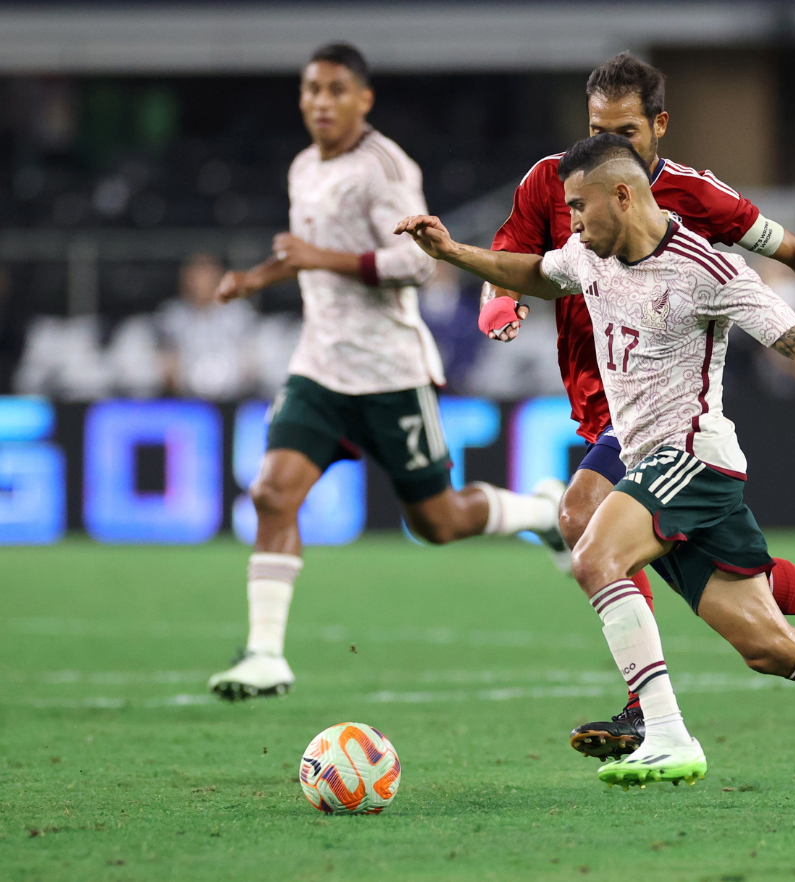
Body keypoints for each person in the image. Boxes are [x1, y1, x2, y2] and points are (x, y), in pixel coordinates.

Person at [395, 133, 795, 800]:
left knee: (594, 554)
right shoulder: (589, 254)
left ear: (623, 196)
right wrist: (454, 254)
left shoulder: (706, 270)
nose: (570, 222)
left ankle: (666, 733)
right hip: (655, 465)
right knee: (769, 645)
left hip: (692, 460)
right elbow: (538, 274)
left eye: (578, 207)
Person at [481, 53, 795, 759]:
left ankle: (646, 714)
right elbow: (516, 258)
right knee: (727, 585)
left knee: (586, 523)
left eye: (625, 130)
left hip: (667, 410)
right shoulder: (556, 179)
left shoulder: (697, 199)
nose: (609, 145)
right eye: (597, 128)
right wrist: (495, 298)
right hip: (600, 397)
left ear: (659, 125)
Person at [207, 43, 569, 701]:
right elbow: (304, 253)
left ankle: (543, 511)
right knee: (270, 492)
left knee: (437, 523)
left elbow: (416, 265)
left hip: (389, 372)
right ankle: (264, 655)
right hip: (319, 366)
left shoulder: (385, 168)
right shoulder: (302, 168)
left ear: (363, 98)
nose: (321, 101)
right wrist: (254, 279)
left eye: (336, 89)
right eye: (311, 89)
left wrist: (322, 257)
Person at [156, 253, 258, 400]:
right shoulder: (172, 315)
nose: (201, 282)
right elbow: (166, 364)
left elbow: (252, 360)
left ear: (219, 277)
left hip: (235, 398)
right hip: (186, 399)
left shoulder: (239, 312)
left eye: (207, 275)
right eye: (196, 276)